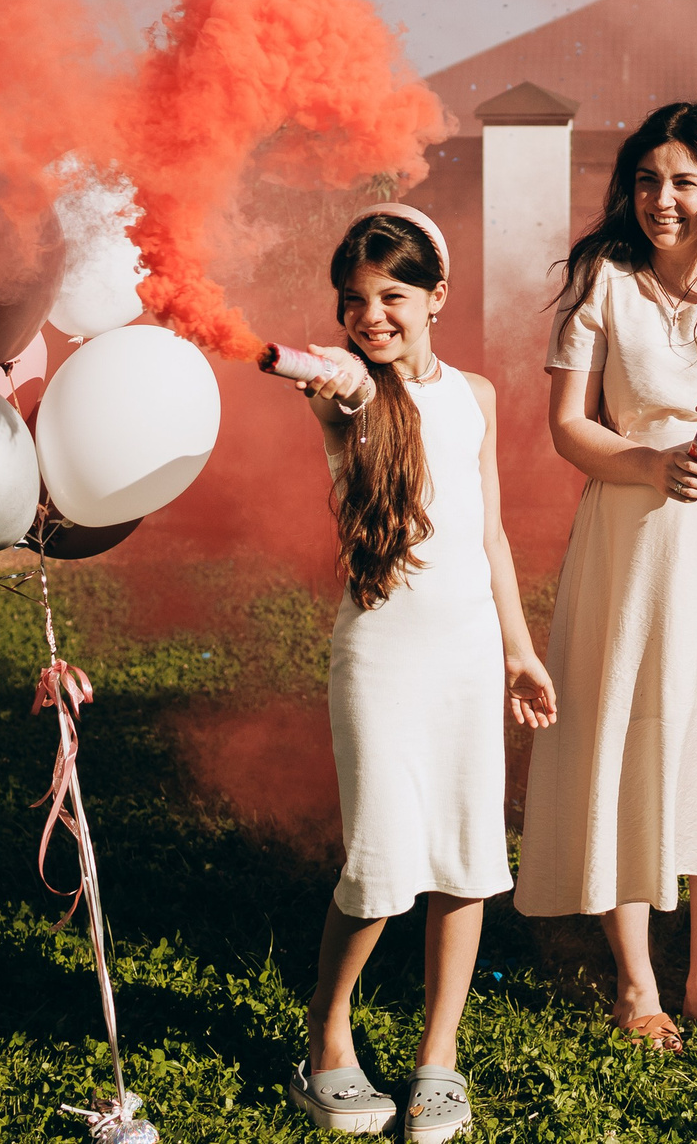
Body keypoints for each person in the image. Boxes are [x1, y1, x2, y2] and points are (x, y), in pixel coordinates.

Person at [516, 102, 697, 1053]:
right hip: (632, 543)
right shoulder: (605, 277)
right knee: (627, 737)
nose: (662, 200)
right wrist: (651, 462)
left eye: (683, 181)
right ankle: (638, 985)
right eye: (646, 180)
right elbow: (570, 425)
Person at [285, 205, 559, 1139]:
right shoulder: (346, 390)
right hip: (381, 655)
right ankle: (327, 1041)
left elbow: (488, 536)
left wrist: (519, 650)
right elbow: (344, 394)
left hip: (469, 653)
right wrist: (318, 371)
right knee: (377, 863)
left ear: (437, 296)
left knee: (467, 858)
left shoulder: (476, 395)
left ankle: (438, 1059)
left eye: (392, 295)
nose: (370, 314)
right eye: (353, 299)